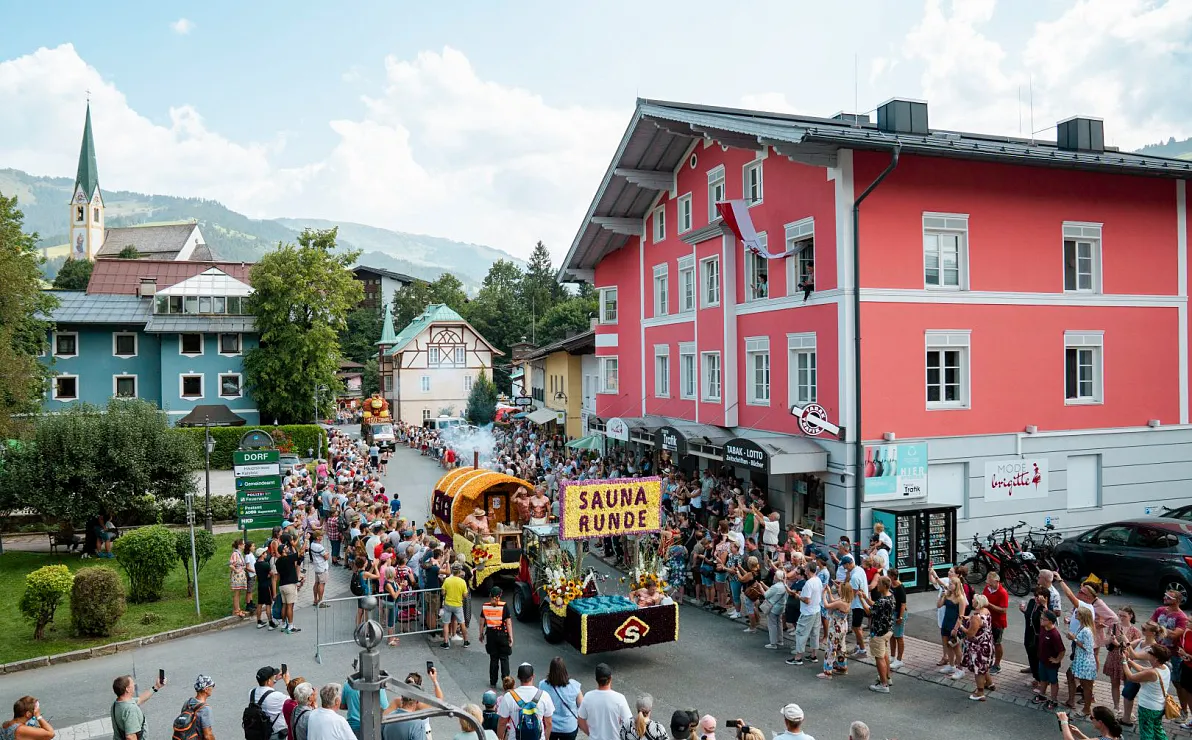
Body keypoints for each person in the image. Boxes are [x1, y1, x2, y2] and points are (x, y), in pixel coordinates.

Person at [1122, 643, 1173, 740]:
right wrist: (1129, 660)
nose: (1148, 654)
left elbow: (1131, 677)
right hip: (1159, 707)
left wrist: (1124, 662)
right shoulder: (1164, 668)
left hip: (1148, 708)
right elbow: (1142, 669)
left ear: (1156, 658)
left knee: (1146, 733)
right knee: (1158, 730)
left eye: (1150, 653)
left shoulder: (1152, 673)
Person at [497, 663, 554, 740]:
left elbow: (502, 723)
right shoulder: (544, 695)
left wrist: (500, 738)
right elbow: (549, 723)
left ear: (518, 677)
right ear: (533, 676)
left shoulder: (509, 696)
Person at [576, 664, 631, 740]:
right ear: (610, 678)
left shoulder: (588, 697)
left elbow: (580, 720)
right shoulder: (620, 698)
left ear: (596, 679)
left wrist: (590, 733)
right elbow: (629, 723)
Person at [863, 575, 896, 693]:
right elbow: (875, 605)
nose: (877, 585)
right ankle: (887, 677)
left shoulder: (882, 601)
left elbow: (869, 612)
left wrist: (862, 600)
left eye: (879, 584)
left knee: (879, 657)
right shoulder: (890, 597)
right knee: (885, 654)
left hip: (879, 632)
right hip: (888, 630)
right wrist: (866, 598)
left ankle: (883, 684)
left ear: (884, 586)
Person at [961, 594, 995, 701]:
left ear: (977, 603)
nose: (971, 600)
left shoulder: (976, 617)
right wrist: (969, 618)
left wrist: (961, 626)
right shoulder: (986, 611)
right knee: (984, 666)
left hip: (978, 647)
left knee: (978, 669)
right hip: (987, 643)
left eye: (973, 600)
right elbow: (981, 623)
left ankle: (980, 692)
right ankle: (990, 683)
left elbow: (970, 633)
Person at [111, 673, 165, 740]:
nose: (134, 685)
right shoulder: (130, 709)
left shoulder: (117, 703)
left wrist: (156, 686)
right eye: (132, 684)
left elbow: (140, 699)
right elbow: (130, 736)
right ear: (127, 689)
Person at [539, 657, 583, 740]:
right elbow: (582, 706)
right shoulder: (574, 685)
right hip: (569, 727)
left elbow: (538, 703)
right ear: (564, 670)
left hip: (551, 727)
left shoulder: (543, 685)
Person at [1066, 605, 1098, 717]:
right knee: (1069, 675)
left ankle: (1087, 709)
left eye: (1077, 613)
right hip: (1079, 659)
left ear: (1083, 616)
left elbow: (1088, 648)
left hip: (1085, 662)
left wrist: (1074, 638)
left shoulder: (1087, 631)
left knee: (1087, 686)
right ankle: (1071, 700)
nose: (1075, 614)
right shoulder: (1082, 627)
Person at [480, 587, 514, 688]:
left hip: (490, 635)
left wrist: (480, 634)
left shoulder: (485, 606)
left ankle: (493, 681)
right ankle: (506, 682)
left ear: (490, 595)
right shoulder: (503, 606)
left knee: (493, 659)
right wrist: (510, 636)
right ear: (500, 596)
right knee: (504, 658)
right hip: (502, 634)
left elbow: (482, 622)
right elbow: (508, 623)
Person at [275, 536, 305, 634]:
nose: (288, 548)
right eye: (286, 548)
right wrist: (307, 540)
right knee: (290, 606)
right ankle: (291, 626)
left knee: (284, 605)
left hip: (282, 585)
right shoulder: (288, 558)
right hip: (289, 585)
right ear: (283, 551)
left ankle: (283, 624)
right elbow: (301, 552)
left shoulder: (278, 561)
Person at [252, 666, 291, 740]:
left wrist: (275, 680)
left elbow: (265, 690)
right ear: (269, 681)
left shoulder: (252, 693)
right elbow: (294, 699)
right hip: (275, 734)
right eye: (273, 676)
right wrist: (287, 682)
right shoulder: (277, 696)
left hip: (259, 732)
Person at [983, 572, 1010, 674]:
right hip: (987, 620)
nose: (988, 585)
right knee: (988, 642)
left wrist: (989, 604)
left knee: (997, 643)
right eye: (987, 582)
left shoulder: (1002, 593)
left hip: (998, 622)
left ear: (997, 581)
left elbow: (1003, 610)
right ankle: (988, 661)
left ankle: (997, 664)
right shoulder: (987, 588)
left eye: (990, 583)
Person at [177, 676, 216, 740]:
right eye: (212, 686)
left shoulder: (187, 702)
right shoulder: (205, 709)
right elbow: (208, 735)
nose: (212, 688)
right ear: (206, 689)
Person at [442, 563, 470, 648]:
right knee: (462, 623)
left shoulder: (447, 580)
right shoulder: (462, 582)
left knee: (446, 624)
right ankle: (466, 641)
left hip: (448, 604)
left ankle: (446, 642)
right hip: (458, 605)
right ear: (460, 571)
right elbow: (465, 595)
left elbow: (443, 592)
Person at [1057, 706, 1122, 740]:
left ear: (1100, 722)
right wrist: (1079, 734)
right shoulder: (1117, 735)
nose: (1091, 720)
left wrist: (1064, 722)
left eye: (1091, 717)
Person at [310, 530, 330, 608]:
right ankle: (321, 601)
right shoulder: (320, 547)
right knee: (322, 584)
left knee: (316, 583)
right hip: (322, 567)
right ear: (318, 537)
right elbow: (326, 557)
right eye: (321, 535)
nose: (322, 537)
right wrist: (327, 554)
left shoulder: (312, 544)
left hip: (316, 567)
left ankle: (315, 600)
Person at [230, 538, 249, 617]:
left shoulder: (239, 553)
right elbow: (231, 565)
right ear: (239, 545)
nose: (244, 545)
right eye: (243, 544)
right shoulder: (235, 554)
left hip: (240, 576)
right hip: (237, 576)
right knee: (237, 593)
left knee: (238, 593)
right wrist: (236, 570)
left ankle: (238, 609)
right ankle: (236, 611)